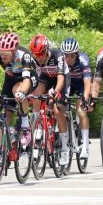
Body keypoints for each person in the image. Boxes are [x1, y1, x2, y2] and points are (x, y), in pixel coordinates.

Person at [0, 33, 38, 169]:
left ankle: (26, 126)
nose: (2, 57)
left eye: (6, 55)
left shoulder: (23, 55)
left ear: (14, 50)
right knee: (4, 110)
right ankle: (4, 152)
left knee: (18, 91)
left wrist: (22, 93)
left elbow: (26, 79)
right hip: (10, 78)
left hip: (28, 78)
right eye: (1, 54)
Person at [29, 34, 70, 165]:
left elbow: (61, 78)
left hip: (61, 79)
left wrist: (55, 93)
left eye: (41, 54)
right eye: (35, 55)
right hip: (46, 78)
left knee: (58, 110)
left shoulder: (58, 55)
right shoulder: (33, 59)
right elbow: (33, 79)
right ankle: (37, 123)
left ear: (47, 50)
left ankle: (64, 148)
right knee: (36, 93)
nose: (38, 58)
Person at [60, 37, 92, 159]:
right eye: (66, 56)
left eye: (71, 56)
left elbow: (88, 82)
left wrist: (84, 99)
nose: (68, 59)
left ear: (77, 54)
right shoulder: (61, 61)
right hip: (67, 83)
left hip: (80, 85)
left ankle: (84, 145)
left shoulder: (83, 60)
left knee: (81, 110)